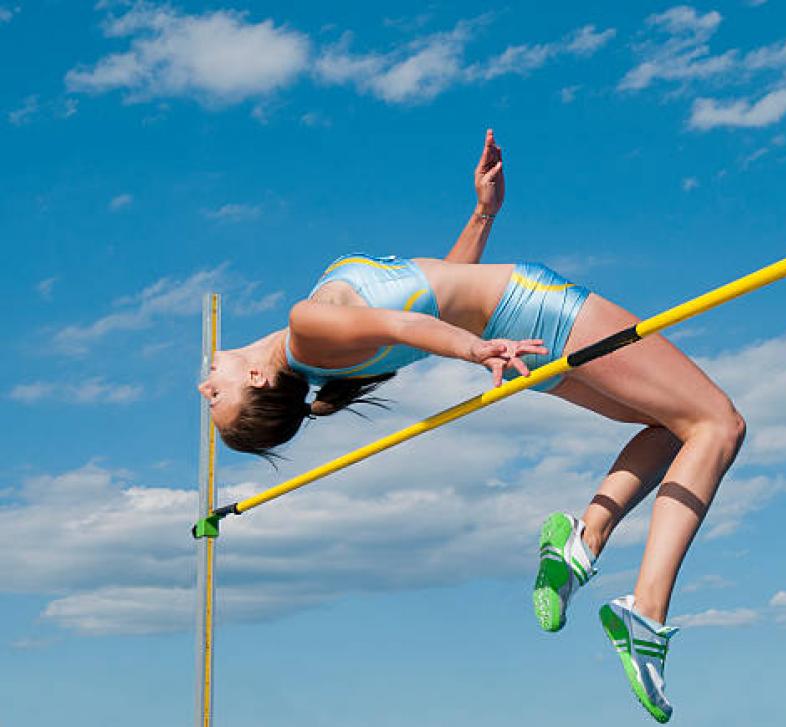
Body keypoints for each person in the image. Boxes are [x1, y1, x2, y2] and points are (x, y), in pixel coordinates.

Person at [198, 129, 745, 723]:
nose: (205, 387)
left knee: (675, 426)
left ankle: (582, 541)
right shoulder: (306, 329)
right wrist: (475, 351)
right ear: (258, 379)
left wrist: (483, 214)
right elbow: (410, 327)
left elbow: (436, 294)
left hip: (513, 343)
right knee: (718, 424)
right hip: (532, 313)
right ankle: (647, 614)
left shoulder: (328, 363)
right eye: (217, 397)